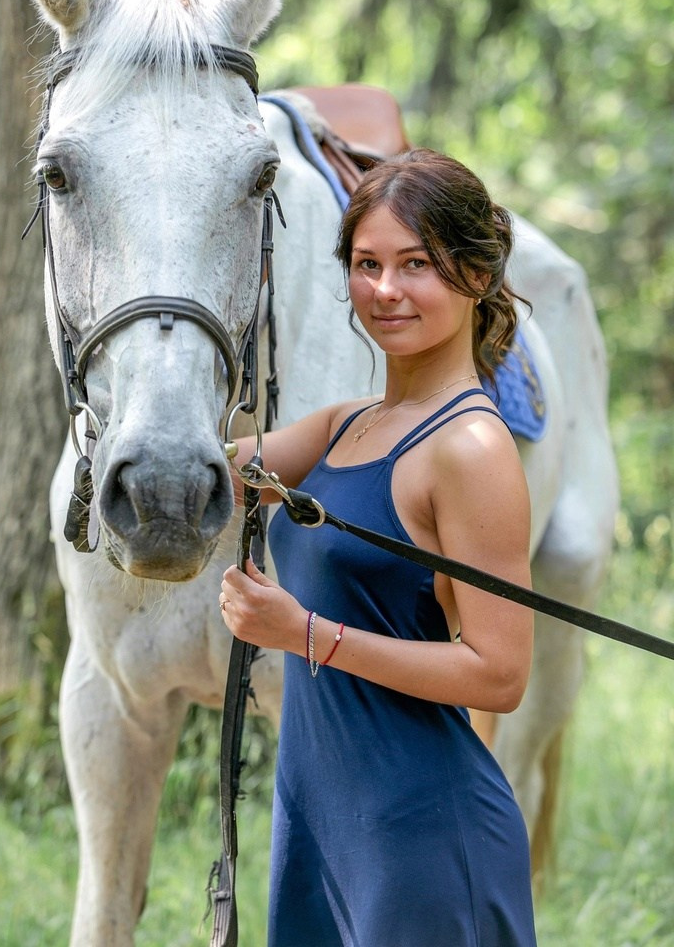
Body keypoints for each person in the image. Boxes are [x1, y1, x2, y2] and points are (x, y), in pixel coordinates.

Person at [219, 148, 537, 946]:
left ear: (477, 273)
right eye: (366, 264)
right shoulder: (348, 424)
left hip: (422, 837)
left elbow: (499, 674)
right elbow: (212, 476)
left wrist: (302, 634)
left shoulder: (470, 447)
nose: (385, 290)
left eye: (417, 264)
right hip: (321, 823)